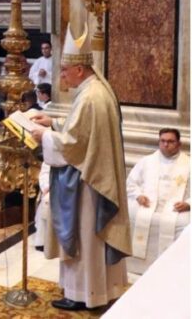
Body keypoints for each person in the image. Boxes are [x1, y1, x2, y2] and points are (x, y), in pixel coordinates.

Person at [30, 27, 130, 311]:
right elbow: (84, 134)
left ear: (78, 68)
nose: (60, 76)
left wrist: (44, 136)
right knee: (94, 241)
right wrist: (54, 123)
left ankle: (84, 294)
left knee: (86, 239)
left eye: (64, 71)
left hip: (89, 183)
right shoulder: (99, 88)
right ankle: (105, 290)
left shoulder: (89, 98)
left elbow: (73, 146)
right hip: (97, 173)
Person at [126, 128, 189, 274]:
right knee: (129, 214)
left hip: (176, 210)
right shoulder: (146, 161)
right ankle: (134, 267)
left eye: (170, 141)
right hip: (147, 206)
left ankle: (173, 270)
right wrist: (138, 195)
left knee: (185, 224)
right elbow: (131, 183)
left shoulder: (188, 164)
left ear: (179, 144)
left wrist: (188, 204)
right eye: (163, 141)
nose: (166, 145)